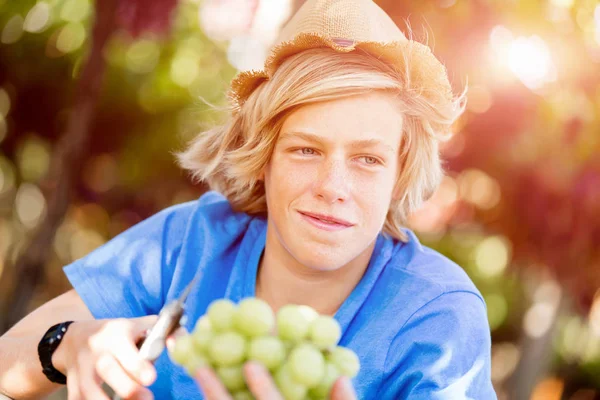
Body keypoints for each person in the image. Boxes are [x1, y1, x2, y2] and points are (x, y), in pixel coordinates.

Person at [0, 0, 497, 399]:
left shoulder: (438, 315)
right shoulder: (190, 239)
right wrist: (64, 346)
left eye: (368, 159)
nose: (332, 186)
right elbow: (7, 360)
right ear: (263, 157)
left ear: (399, 172)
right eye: (306, 150)